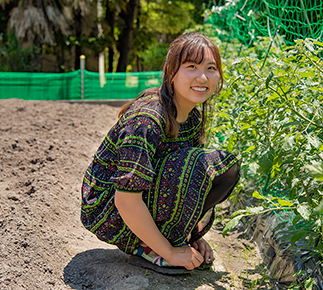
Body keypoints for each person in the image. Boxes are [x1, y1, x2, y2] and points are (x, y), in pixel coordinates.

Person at [80, 32, 240, 272]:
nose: (203, 76)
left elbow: (191, 183)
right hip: (110, 210)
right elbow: (125, 198)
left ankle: (174, 237)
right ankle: (149, 246)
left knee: (225, 167)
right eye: (192, 66)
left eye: (211, 68)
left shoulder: (192, 117)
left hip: (144, 196)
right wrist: (171, 252)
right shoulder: (147, 120)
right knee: (197, 164)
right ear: (171, 73)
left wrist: (193, 236)